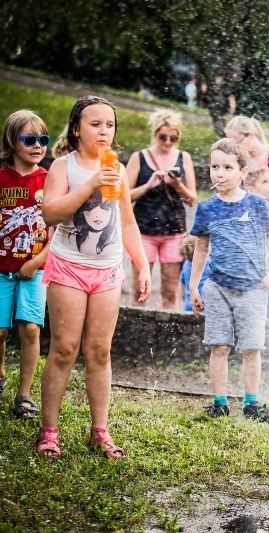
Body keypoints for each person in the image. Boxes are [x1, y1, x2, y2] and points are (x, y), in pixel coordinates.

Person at [37, 95, 151, 459]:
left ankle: (99, 431)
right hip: (68, 267)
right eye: (95, 124)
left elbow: (127, 222)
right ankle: (49, 432)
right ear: (76, 129)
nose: (104, 131)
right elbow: (50, 215)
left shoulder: (116, 169)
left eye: (109, 125)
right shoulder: (63, 167)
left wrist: (142, 263)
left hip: (107, 272)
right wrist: (88, 185)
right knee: (64, 349)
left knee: (100, 351)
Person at [189, 138, 269, 422]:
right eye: (214, 167)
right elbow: (200, 247)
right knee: (219, 346)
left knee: (251, 348)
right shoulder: (207, 208)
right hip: (218, 287)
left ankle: (251, 404)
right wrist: (195, 286)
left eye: (227, 167)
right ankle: (219, 403)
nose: (219, 173)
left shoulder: (256, 204)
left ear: (243, 173)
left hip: (253, 290)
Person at [0, 110, 52, 419]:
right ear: (11, 141)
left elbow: (57, 233)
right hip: (1, 269)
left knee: (30, 329)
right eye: (29, 139)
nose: (38, 145)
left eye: (42, 139)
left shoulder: (49, 180)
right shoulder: (2, 178)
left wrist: (37, 261)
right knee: (1, 332)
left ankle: (24, 394)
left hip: (36, 269)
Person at [126, 110, 197, 309]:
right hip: (143, 231)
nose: (168, 142)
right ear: (154, 133)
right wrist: (148, 185)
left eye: (173, 138)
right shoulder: (139, 157)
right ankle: (134, 335)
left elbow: (192, 199)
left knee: (170, 292)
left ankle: (167, 336)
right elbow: (125, 196)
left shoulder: (184, 157)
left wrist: (177, 186)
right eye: (163, 137)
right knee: (140, 292)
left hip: (173, 232)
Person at [244, 167, 269, 319]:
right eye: (265, 182)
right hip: (252, 279)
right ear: (250, 188)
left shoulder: (266, 210)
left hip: (265, 277)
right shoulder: (251, 211)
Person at [178, 235, 208, 313]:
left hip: (188, 306)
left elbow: (182, 286)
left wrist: (185, 300)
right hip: (204, 306)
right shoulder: (207, 262)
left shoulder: (186, 265)